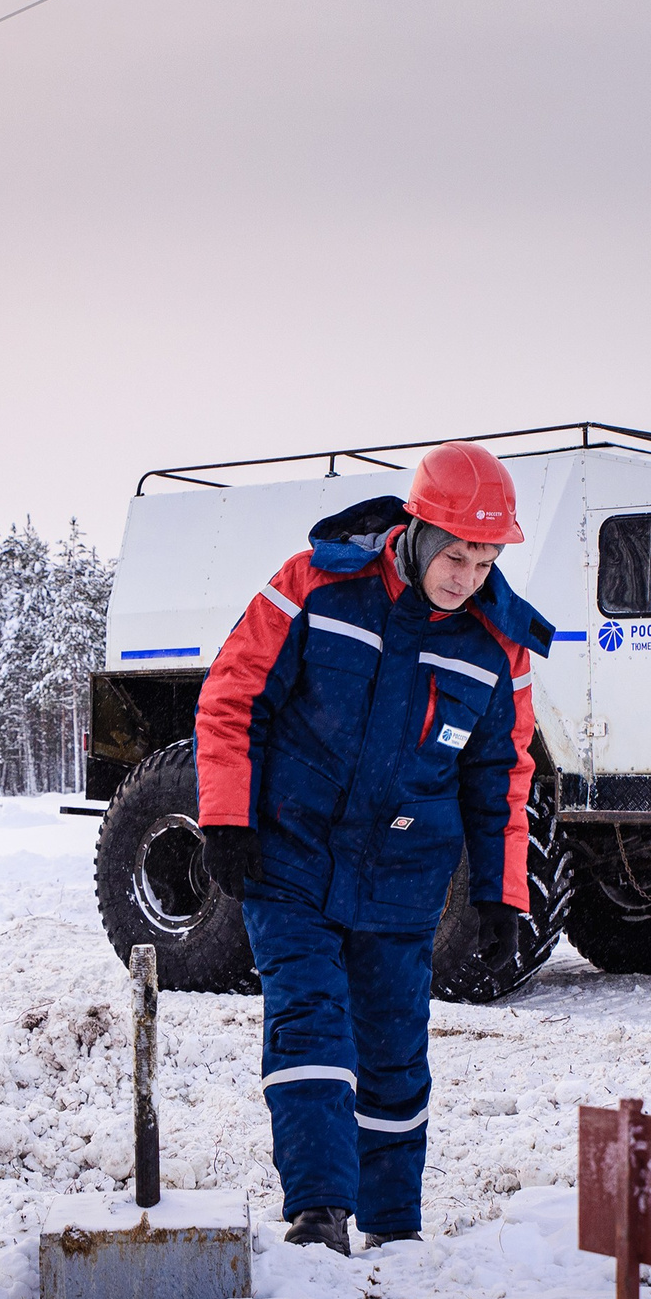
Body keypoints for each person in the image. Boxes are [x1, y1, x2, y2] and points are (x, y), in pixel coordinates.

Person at [193, 442, 552, 1255]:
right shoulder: (315, 587)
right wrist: (226, 818)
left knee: (395, 1051)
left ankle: (395, 1226)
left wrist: (502, 895)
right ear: (417, 531)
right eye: (456, 553)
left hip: (401, 880)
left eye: (486, 557)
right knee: (310, 1023)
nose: (468, 574)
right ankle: (319, 1212)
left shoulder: (498, 649)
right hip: (289, 857)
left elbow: (503, 779)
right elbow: (231, 696)